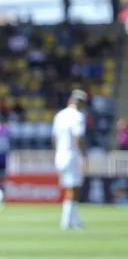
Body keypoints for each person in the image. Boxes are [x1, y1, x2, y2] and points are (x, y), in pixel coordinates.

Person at [52, 89, 89, 230]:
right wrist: (84, 155)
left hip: (60, 155)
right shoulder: (78, 116)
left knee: (70, 187)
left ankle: (74, 219)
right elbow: (78, 138)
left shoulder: (59, 115)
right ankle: (67, 221)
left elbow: (54, 138)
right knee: (74, 188)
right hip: (72, 155)